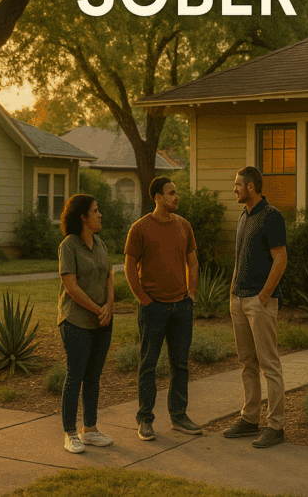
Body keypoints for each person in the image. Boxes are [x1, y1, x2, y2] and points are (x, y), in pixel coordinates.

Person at [124, 176, 201, 440]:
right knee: (148, 365)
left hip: (181, 308)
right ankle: (145, 420)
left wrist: (191, 294)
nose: (176, 197)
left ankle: (179, 417)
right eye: (171, 193)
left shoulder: (184, 226)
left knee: (180, 364)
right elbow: (129, 266)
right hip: (153, 308)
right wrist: (143, 299)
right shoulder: (140, 228)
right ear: (157, 198)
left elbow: (192, 261)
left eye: (176, 192)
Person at [222, 166, 288, 449]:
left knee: (268, 364)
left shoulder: (271, 216)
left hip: (258, 302)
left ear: (251, 187)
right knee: (247, 363)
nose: (234, 188)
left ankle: (276, 425)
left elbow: (281, 259)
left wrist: (262, 297)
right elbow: (241, 258)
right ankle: (250, 418)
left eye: (238, 184)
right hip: (238, 300)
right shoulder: (243, 216)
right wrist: (233, 292)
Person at [57, 194, 115, 454]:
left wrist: (110, 307)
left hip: (102, 321)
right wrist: (97, 309)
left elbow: (109, 276)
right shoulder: (69, 245)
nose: (100, 214)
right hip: (76, 321)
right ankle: (70, 433)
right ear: (83, 216)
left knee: (94, 375)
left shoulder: (100, 243)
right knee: (76, 375)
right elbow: (71, 287)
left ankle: (90, 430)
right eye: (95, 210)